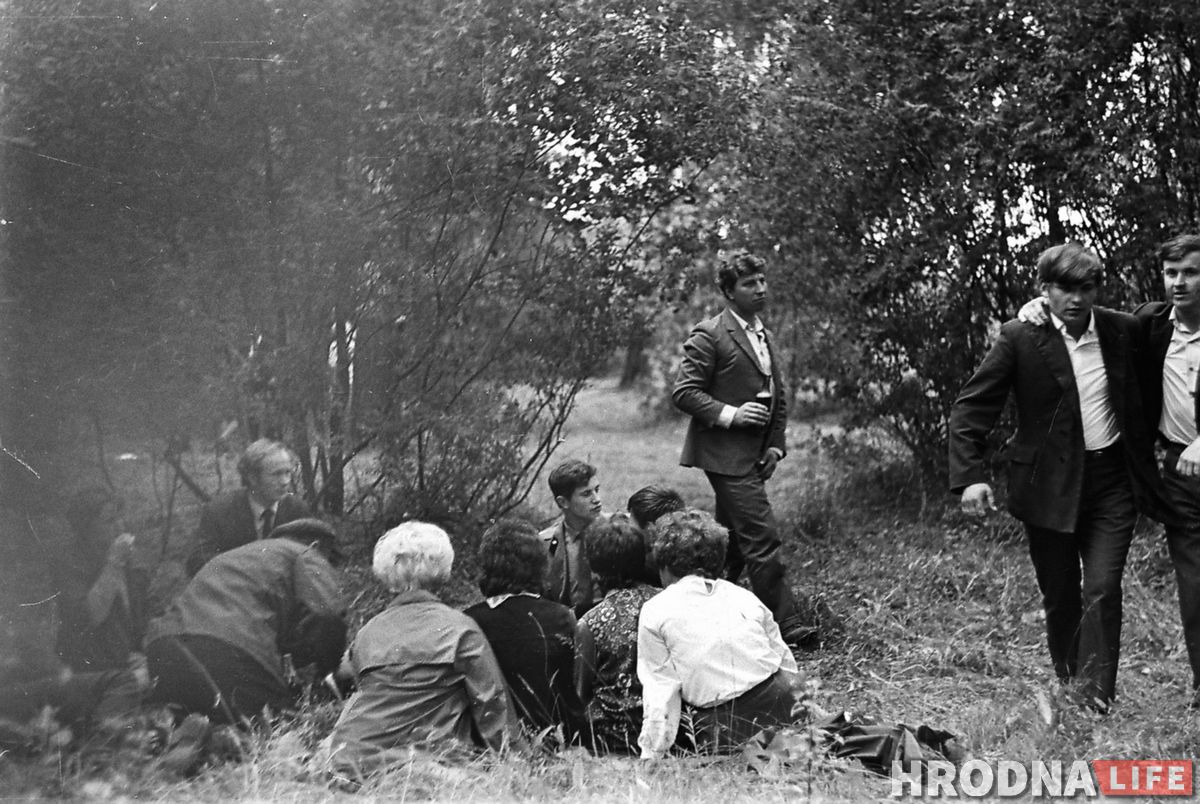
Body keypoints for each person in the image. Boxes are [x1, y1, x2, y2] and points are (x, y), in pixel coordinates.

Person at [949, 243, 1165, 711]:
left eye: (1085, 288)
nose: (1076, 299)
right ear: (1044, 289)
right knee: (1060, 593)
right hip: (1047, 485)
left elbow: (1171, 322)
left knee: (1102, 587)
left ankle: (1095, 700)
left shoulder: (1121, 329)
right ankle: (1070, 679)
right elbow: (971, 408)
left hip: (1112, 481)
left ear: (1097, 289)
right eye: (1064, 289)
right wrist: (969, 476)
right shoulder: (1020, 336)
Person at [671, 251, 806, 643]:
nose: (760, 289)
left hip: (755, 455)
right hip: (723, 455)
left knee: (727, 544)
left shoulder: (764, 334)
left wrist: (775, 447)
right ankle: (787, 623)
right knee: (761, 536)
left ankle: (706, 609)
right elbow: (684, 392)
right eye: (749, 283)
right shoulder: (710, 333)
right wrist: (732, 414)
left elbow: (778, 396)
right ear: (729, 292)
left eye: (762, 280)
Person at [328, 521, 516, 773]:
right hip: (424, 764)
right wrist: (516, 765)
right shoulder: (461, 629)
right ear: (443, 567)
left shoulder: (367, 632)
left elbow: (346, 685)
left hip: (351, 760)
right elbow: (492, 706)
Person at [144, 518, 347, 725]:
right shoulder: (305, 553)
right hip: (228, 652)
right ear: (315, 545)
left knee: (195, 735)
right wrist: (330, 673)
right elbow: (327, 615)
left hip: (165, 650)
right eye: (330, 560)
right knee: (285, 729)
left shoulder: (239, 556)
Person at [637, 509, 798, 759]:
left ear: (665, 566)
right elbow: (784, 661)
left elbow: (661, 690)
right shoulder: (744, 597)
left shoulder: (654, 610)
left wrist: (652, 753)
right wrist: (802, 711)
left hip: (723, 725)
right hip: (781, 703)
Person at [464, 519, 585, 745]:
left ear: (488, 566)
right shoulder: (562, 617)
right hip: (556, 739)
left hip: (491, 744)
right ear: (539, 565)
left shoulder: (469, 620)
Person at [575, 513, 660, 754]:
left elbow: (580, 691)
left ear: (595, 569)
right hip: (666, 728)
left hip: (611, 739)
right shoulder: (666, 602)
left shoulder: (590, 622)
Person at [52, 487, 148, 674]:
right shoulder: (68, 562)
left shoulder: (124, 556)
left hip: (131, 659)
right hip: (90, 667)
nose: (120, 526)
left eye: (119, 518)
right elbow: (86, 618)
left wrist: (147, 648)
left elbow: (146, 609)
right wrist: (114, 563)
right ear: (87, 528)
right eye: (110, 521)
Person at [184, 439, 310, 575]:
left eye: (288, 473)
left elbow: (314, 557)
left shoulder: (297, 509)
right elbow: (197, 562)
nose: (285, 481)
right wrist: (249, 567)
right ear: (253, 478)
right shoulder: (219, 511)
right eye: (276, 474)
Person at [539, 459, 604, 618]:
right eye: (586, 494)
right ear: (563, 502)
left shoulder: (617, 532)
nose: (596, 499)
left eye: (597, 490)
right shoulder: (545, 544)